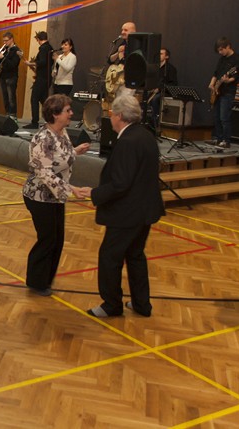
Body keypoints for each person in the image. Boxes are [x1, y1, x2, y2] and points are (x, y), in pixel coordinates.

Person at [77, 93, 165, 318]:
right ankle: (141, 304)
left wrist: (94, 193)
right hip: (145, 209)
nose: (111, 118)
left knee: (110, 257)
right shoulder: (145, 135)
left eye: (112, 114)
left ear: (119, 116)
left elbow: (121, 183)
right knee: (135, 255)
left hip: (128, 213)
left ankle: (112, 304)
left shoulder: (127, 142)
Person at [23, 94, 89, 296]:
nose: (71, 114)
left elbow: (59, 157)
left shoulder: (62, 132)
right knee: (47, 239)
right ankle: (36, 282)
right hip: (39, 196)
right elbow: (44, 173)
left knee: (57, 239)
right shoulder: (42, 139)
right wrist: (72, 189)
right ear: (55, 114)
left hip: (56, 196)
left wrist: (75, 151)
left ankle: (46, 280)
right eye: (68, 111)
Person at [207, 37, 239, 149]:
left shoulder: (237, 59)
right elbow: (216, 73)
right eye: (218, 50)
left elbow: (236, 75)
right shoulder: (222, 59)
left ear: (228, 46)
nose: (220, 52)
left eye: (221, 49)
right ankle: (218, 138)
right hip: (218, 90)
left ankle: (226, 141)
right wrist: (212, 84)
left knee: (224, 117)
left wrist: (228, 80)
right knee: (217, 117)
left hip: (228, 91)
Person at [24, 31, 54, 128]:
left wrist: (31, 63)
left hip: (42, 78)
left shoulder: (43, 48)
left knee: (34, 98)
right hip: (47, 77)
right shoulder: (50, 48)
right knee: (43, 100)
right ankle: (50, 120)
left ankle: (35, 122)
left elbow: (42, 62)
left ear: (38, 39)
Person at [148, 47, 178, 129]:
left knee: (155, 99)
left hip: (165, 92)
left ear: (167, 57)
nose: (159, 56)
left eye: (161, 54)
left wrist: (160, 88)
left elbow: (173, 84)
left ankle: (156, 122)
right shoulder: (155, 68)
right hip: (154, 91)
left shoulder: (170, 69)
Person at [0, 32, 21, 116]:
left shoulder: (16, 51)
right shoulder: (5, 50)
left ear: (12, 39)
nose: (4, 42)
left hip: (11, 77)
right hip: (3, 76)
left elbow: (13, 65)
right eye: (3, 41)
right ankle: (7, 114)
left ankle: (12, 116)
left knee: (11, 98)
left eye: (6, 40)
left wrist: (3, 57)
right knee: (5, 98)